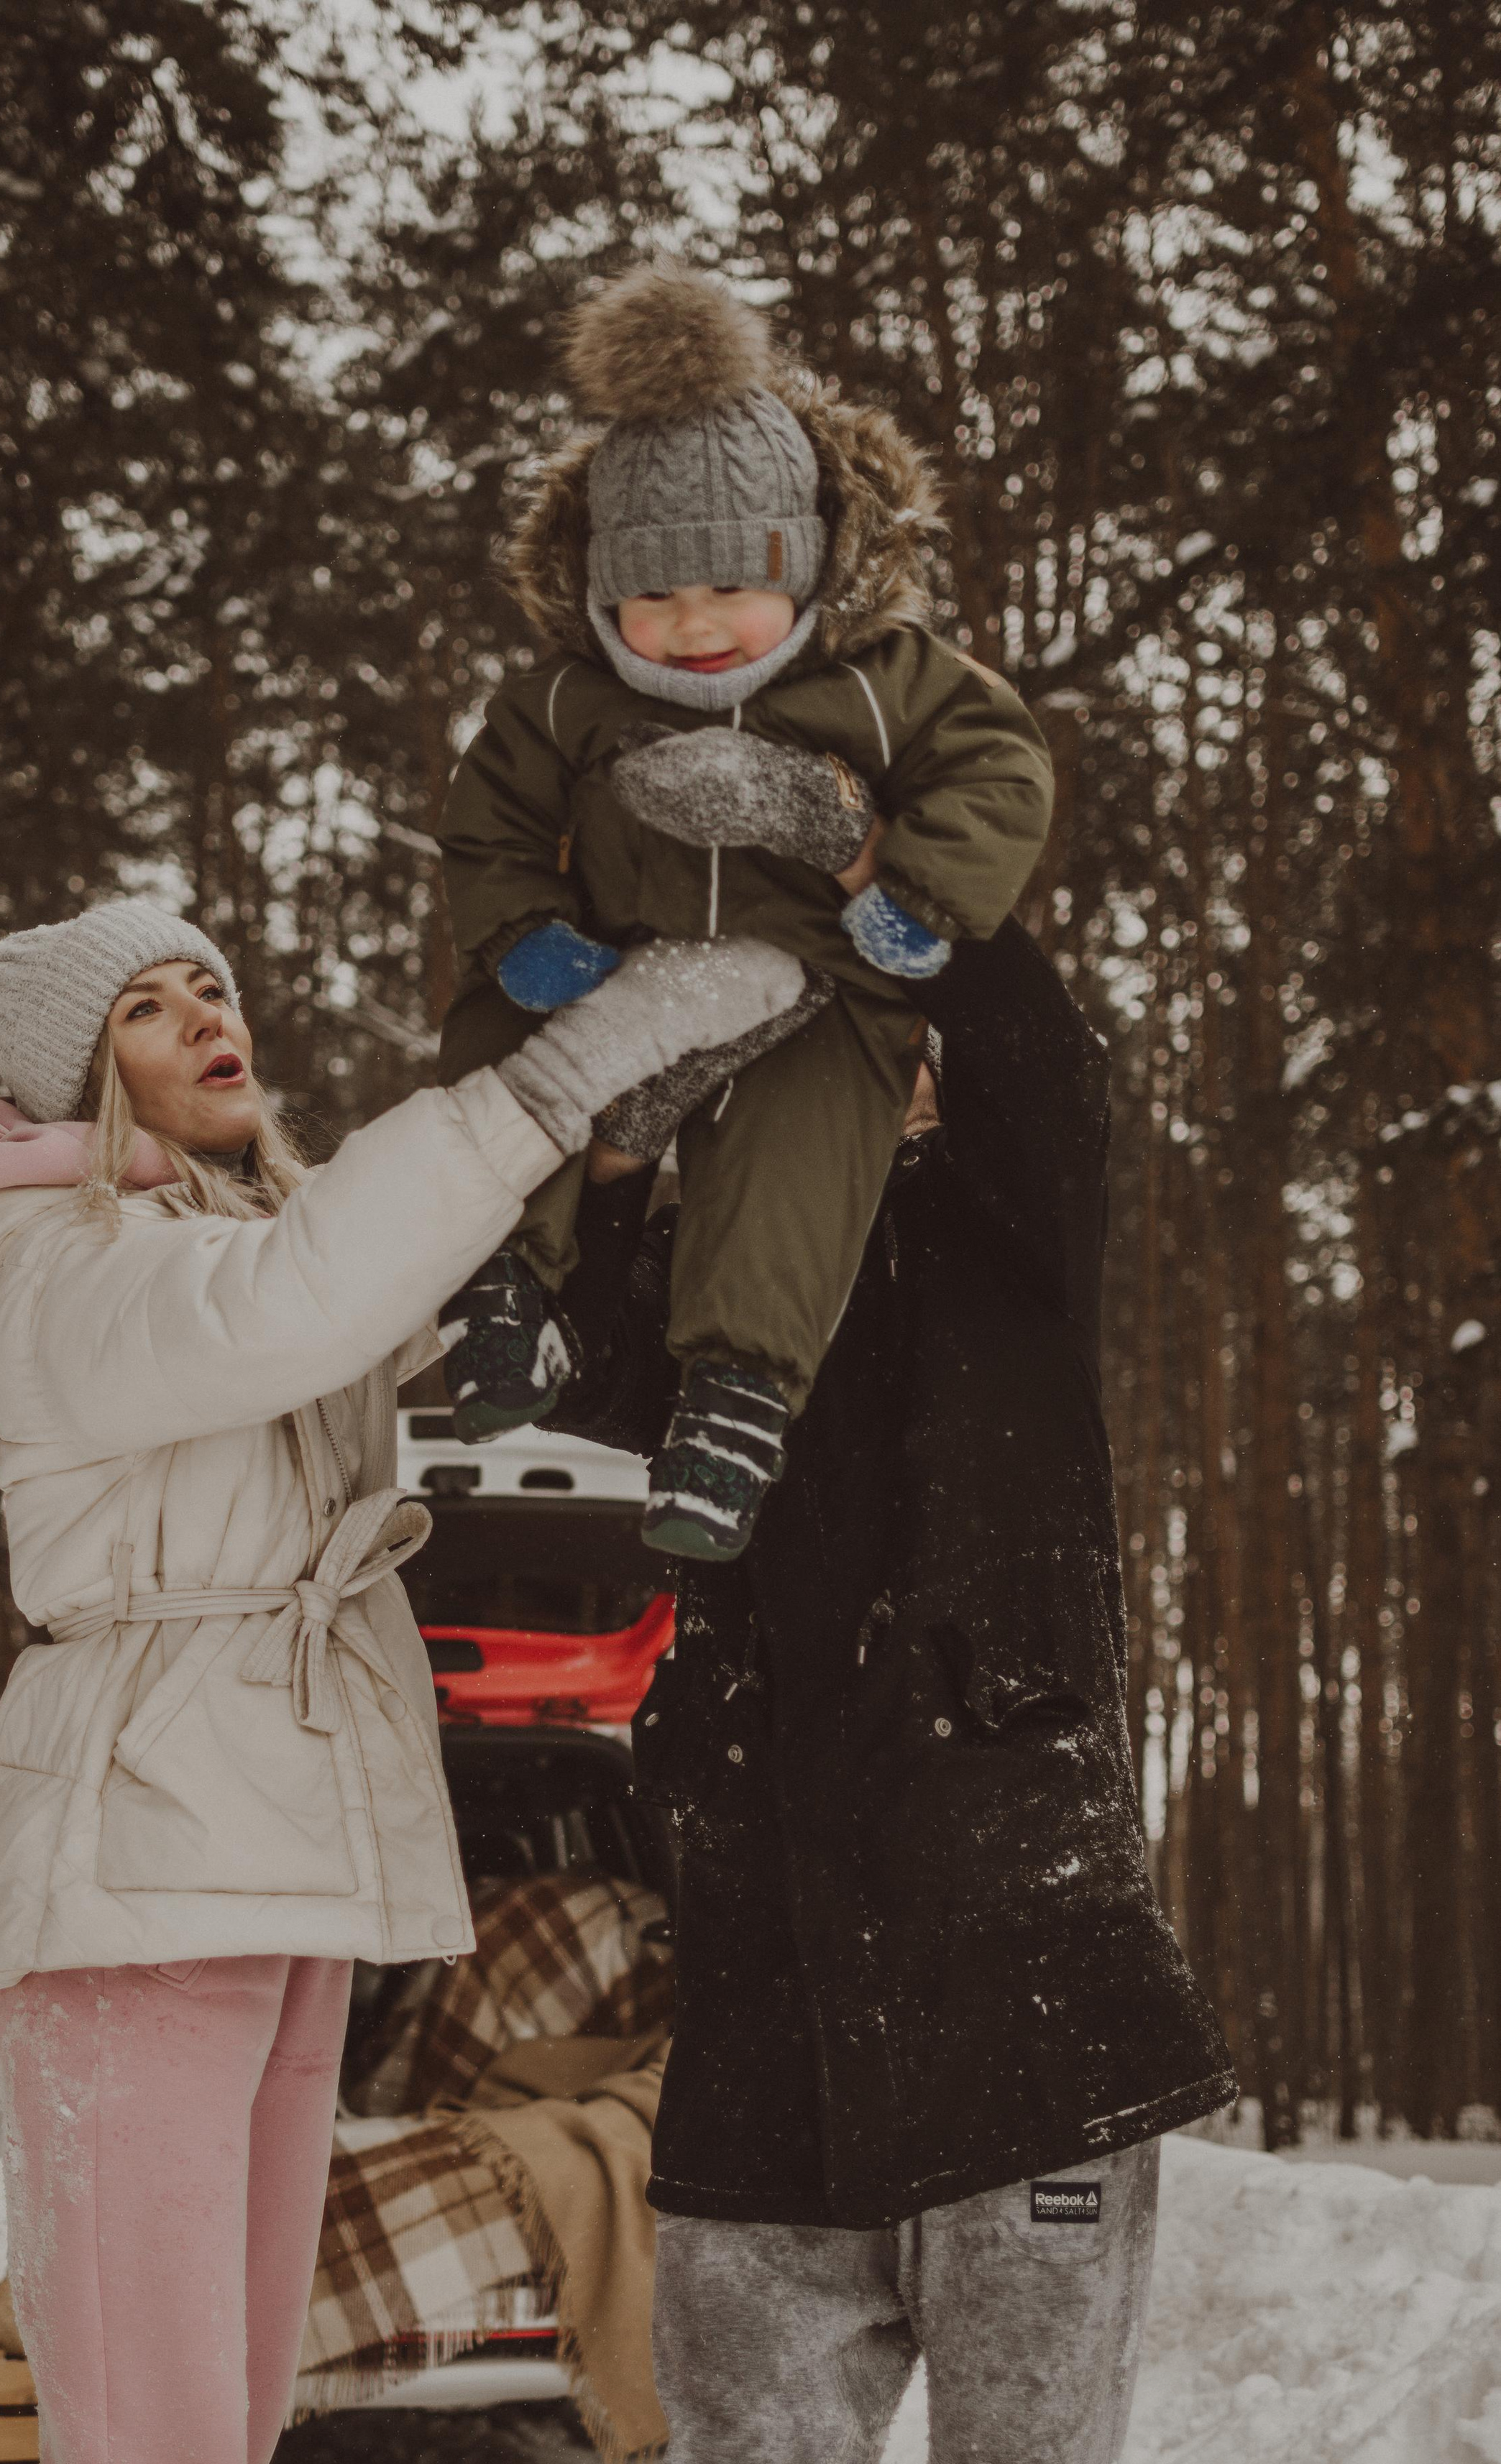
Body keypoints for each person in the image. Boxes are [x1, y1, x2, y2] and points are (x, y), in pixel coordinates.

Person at [0, 893, 805, 2464]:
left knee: (213, 2455)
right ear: (84, 1077)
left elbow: (368, 1288)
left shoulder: (228, 1238)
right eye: (148, 1013)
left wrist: (633, 1134)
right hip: (136, 1876)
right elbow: (297, 1299)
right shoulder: (45, 1257)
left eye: (210, 988)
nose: (203, 1020)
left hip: (279, 1871)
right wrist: (541, 1086)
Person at [553, 896, 1238, 2464]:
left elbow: (1039, 1069)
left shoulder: (1007, 1237)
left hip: (1032, 2025)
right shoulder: (713, 1294)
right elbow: (583, 1355)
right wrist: (625, 1141)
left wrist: (899, 892)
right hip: (767, 2045)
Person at [433, 259, 1057, 1563]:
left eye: (731, 585)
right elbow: (486, 819)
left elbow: (999, 770)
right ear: (603, 592)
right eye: (652, 595)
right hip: (612, 967)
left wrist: (912, 888)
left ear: (812, 565)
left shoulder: (885, 680)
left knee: (812, 1132)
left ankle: (737, 1398)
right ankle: (503, 1289)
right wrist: (527, 933)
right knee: (502, 1042)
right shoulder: (565, 699)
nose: (693, 625)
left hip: (820, 980)